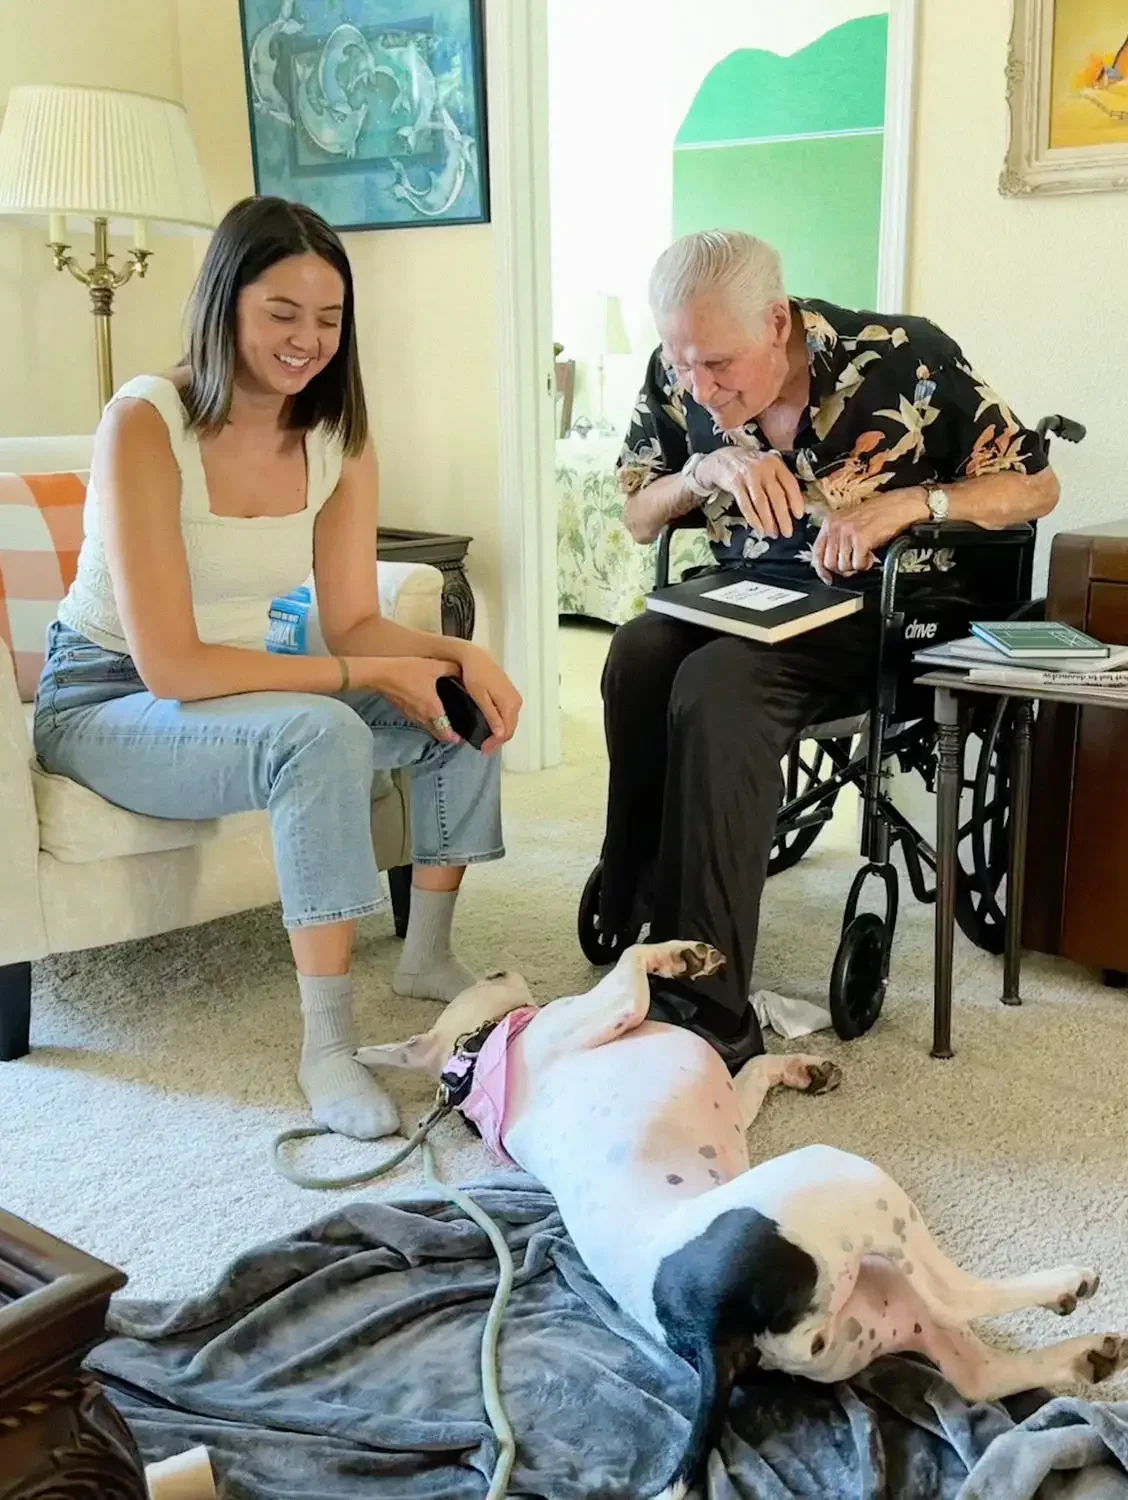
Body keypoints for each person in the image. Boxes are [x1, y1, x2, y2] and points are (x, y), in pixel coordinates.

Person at [33, 195, 521, 1140]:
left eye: (328, 319)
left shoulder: (337, 435)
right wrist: (362, 677)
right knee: (325, 728)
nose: (307, 340)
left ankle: (427, 956)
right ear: (226, 306)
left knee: (456, 699)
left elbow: (350, 619)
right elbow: (171, 664)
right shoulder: (146, 421)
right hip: (106, 699)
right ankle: (326, 1046)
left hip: (240, 686)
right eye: (281, 314)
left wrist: (458, 652)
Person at [601, 229, 1059, 1067]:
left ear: (777, 323)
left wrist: (913, 503)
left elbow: (1034, 482)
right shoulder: (685, 369)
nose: (699, 388)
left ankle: (706, 1011)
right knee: (636, 652)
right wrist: (703, 472)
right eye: (683, 363)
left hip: (877, 610)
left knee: (719, 685)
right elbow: (637, 513)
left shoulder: (906, 358)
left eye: (718, 366)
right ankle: (634, 893)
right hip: (747, 592)